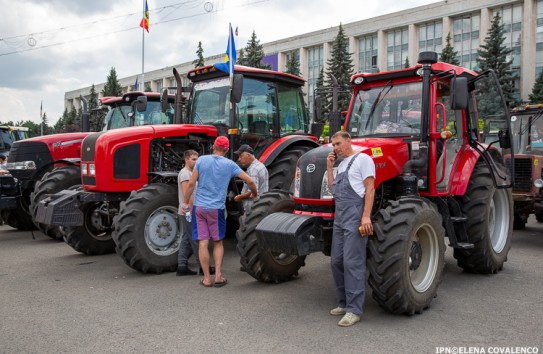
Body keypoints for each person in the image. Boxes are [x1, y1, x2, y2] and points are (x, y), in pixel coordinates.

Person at [182, 136, 258, 288]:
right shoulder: (230, 164)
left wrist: (185, 202)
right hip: (216, 209)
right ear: (227, 150)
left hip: (200, 208)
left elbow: (191, 183)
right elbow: (250, 181)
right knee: (217, 242)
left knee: (203, 242)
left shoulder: (201, 160)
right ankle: (217, 276)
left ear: (213, 147)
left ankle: (206, 279)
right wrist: (254, 194)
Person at [326, 131, 375, 327]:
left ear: (348, 141)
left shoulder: (363, 159)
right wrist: (330, 167)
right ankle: (344, 303)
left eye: (338, 143)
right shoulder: (342, 164)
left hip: (355, 217)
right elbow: (333, 189)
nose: (335, 148)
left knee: (352, 262)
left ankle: (354, 310)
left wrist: (365, 216)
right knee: (336, 261)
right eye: (333, 145)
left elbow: (369, 189)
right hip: (340, 217)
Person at [176, 150, 201, 276]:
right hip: (188, 211)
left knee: (186, 238)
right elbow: (187, 194)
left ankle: (181, 266)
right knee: (195, 238)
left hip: (187, 211)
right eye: (193, 159)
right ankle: (202, 266)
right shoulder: (185, 174)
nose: (196, 161)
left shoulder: (190, 173)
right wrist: (191, 211)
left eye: (197, 159)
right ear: (186, 159)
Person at [233, 144, 269, 214]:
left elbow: (252, 193)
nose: (239, 159)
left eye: (241, 156)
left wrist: (239, 197)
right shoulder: (260, 165)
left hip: (253, 208)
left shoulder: (253, 170)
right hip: (259, 205)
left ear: (248, 155)